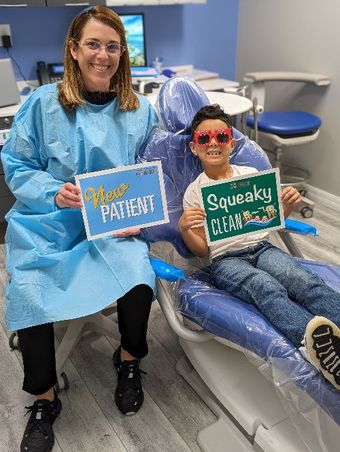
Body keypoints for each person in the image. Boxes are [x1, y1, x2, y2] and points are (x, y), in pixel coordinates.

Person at [1, 6, 158, 452]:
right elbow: (16, 165)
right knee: (30, 293)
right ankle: (45, 400)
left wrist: (141, 216)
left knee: (138, 275)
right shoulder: (42, 104)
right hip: (48, 226)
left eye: (112, 46)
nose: (103, 55)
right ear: (73, 49)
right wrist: (53, 191)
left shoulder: (140, 109)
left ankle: (129, 361)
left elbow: (153, 172)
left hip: (112, 228)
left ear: (122, 53)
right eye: (93, 44)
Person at [178, 104, 340, 391]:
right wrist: (185, 228)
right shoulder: (195, 191)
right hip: (226, 260)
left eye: (221, 136)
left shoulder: (251, 175)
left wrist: (285, 206)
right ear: (194, 147)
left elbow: (271, 221)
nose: (213, 143)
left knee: (300, 279)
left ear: (232, 141)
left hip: (262, 248)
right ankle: (322, 350)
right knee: (265, 288)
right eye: (204, 139)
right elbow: (202, 251)